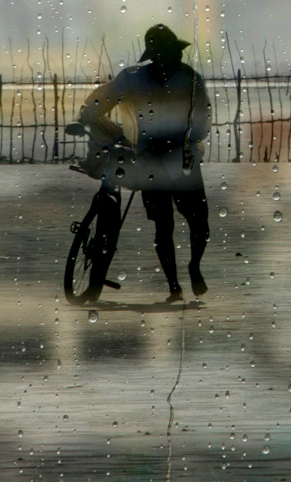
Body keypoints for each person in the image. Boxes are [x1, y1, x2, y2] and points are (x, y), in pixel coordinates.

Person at [77, 24, 212, 302]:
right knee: (163, 225)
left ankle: (194, 265)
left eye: (175, 53)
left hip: (182, 157)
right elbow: (100, 101)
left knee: (200, 223)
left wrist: (183, 141)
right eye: (167, 53)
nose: (173, 58)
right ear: (156, 55)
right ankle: (174, 285)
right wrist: (87, 116)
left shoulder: (191, 80)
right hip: (148, 158)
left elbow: (201, 120)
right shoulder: (132, 80)